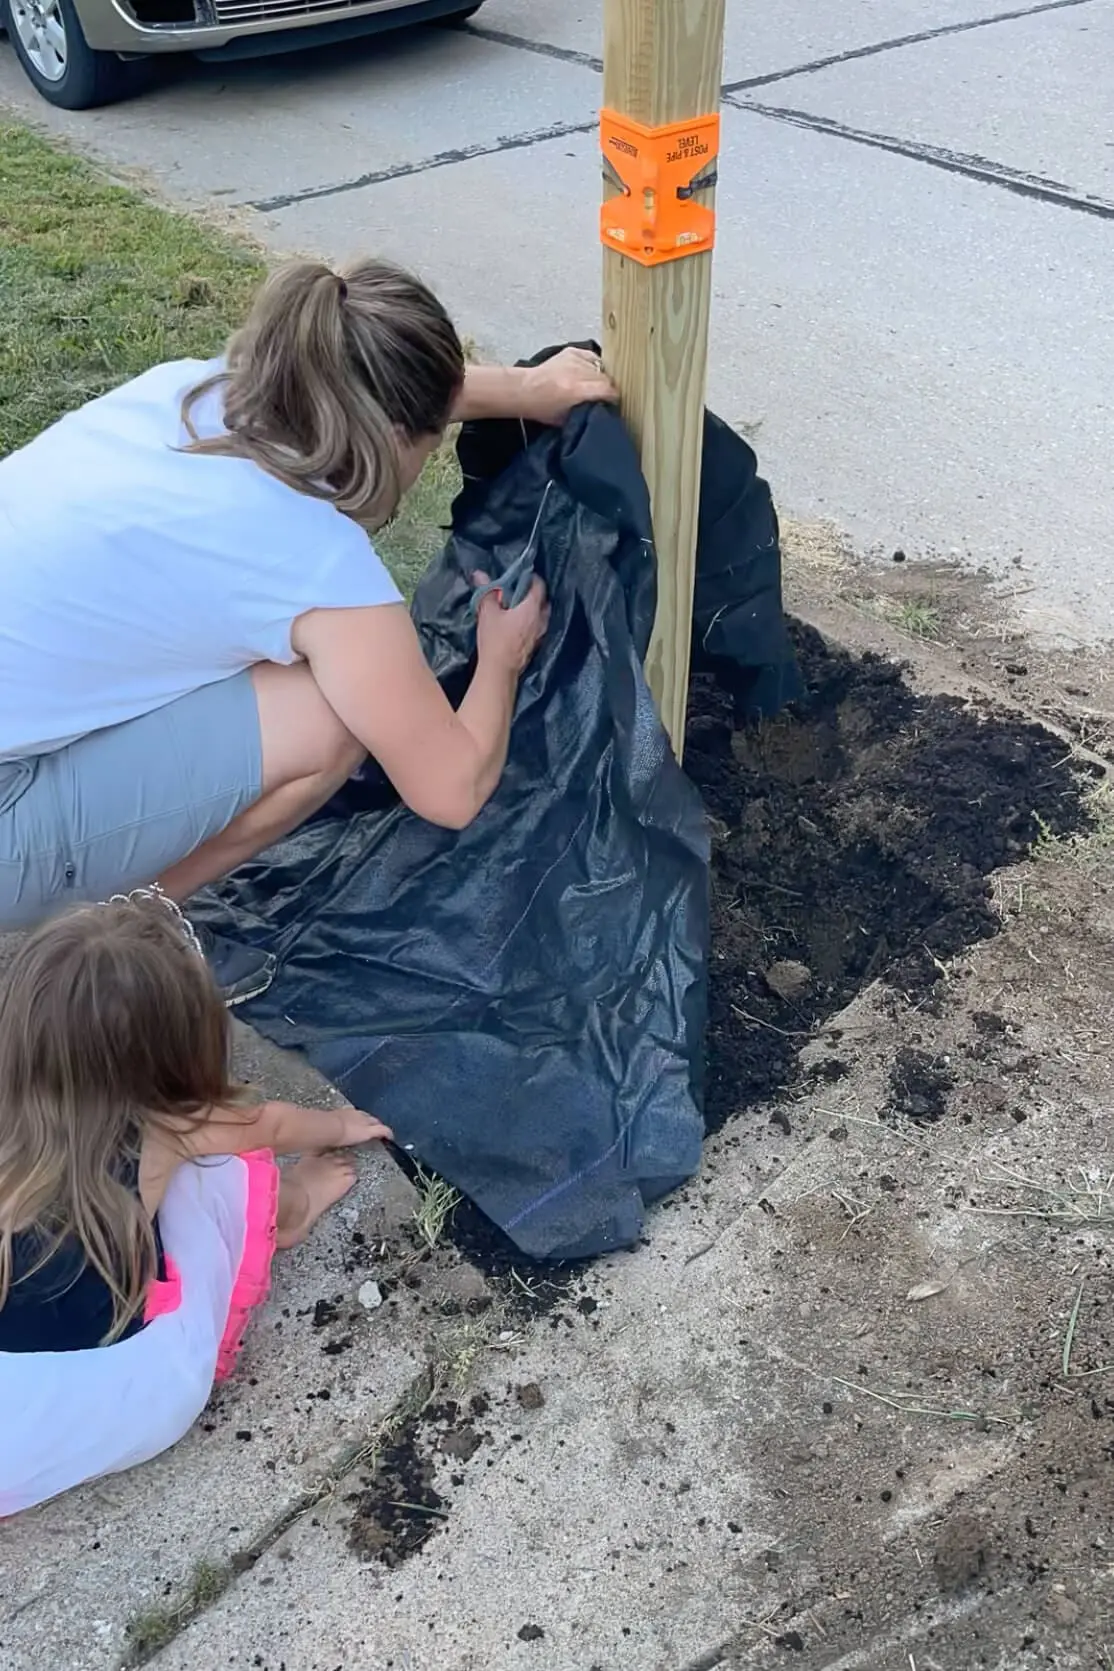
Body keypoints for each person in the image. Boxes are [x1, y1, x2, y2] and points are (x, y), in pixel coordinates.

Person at [0, 259, 616, 1002]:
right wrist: (501, 661)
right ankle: (119, 952)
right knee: (326, 716)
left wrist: (523, 390)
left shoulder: (197, 391)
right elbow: (451, 789)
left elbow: (377, 389)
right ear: (393, 435)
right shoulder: (314, 563)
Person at [0, 888, 394, 1516]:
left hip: (11, 1431)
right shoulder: (172, 1125)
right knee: (223, 1163)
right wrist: (342, 1126)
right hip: (124, 1400)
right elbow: (273, 1124)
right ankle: (290, 1209)